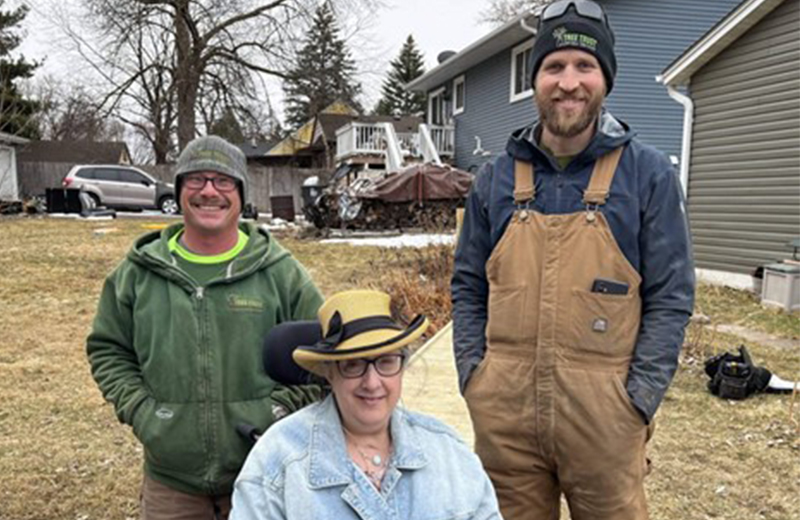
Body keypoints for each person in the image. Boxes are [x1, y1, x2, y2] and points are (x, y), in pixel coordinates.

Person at [451, 1, 695, 519]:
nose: (568, 82)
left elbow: (671, 298)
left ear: (605, 78)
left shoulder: (647, 175)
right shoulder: (495, 179)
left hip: (605, 420)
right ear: (536, 78)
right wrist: (475, 376)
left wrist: (638, 399)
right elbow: (468, 287)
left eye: (585, 66)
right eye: (553, 66)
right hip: (504, 420)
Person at [86, 135, 324, 520]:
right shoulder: (137, 275)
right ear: (179, 191)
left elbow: (325, 353)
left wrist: (280, 410)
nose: (209, 191)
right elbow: (108, 349)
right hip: (171, 486)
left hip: (264, 475)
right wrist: (144, 411)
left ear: (241, 193)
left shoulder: (281, 273)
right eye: (195, 179)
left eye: (223, 180)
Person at [230, 290, 503, 520]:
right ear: (329, 372)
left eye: (386, 362)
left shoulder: (449, 454)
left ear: (402, 366)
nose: (372, 383)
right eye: (353, 364)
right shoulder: (277, 463)